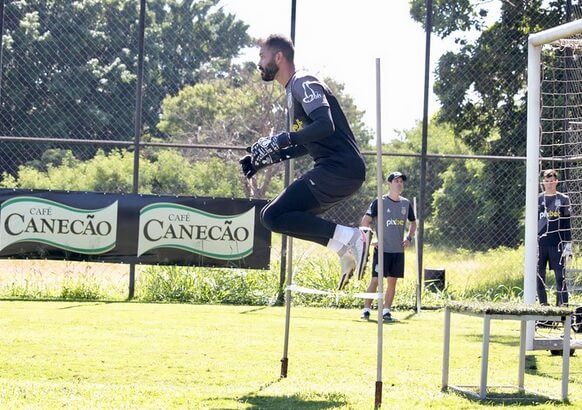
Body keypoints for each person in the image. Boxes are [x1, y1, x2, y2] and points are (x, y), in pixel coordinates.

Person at [239, 34, 370, 289]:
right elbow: (303, 144)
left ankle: (354, 237)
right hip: (336, 170)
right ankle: (343, 249)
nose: (259, 63)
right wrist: (262, 160)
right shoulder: (291, 92)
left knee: (273, 215)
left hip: (341, 168)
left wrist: (282, 138)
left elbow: (325, 125)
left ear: (279, 57)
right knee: (276, 217)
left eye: (262, 56)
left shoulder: (303, 82)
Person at [360, 171, 417, 321]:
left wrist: (409, 238)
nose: (399, 183)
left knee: (392, 281)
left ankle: (386, 310)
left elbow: (413, 223)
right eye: (396, 181)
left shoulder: (406, 203)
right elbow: (365, 222)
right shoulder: (379, 201)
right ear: (389, 183)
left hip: (398, 251)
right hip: (382, 250)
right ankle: (366, 309)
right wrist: (371, 240)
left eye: (401, 181)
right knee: (376, 280)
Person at [537, 169, 573, 307]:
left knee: (560, 277)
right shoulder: (538, 199)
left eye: (552, 181)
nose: (549, 183)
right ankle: (543, 308)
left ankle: (562, 309)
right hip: (541, 244)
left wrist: (567, 245)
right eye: (547, 181)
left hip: (556, 244)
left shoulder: (563, 199)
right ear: (543, 182)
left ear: (556, 181)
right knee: (539, 277)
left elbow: (566, 223)